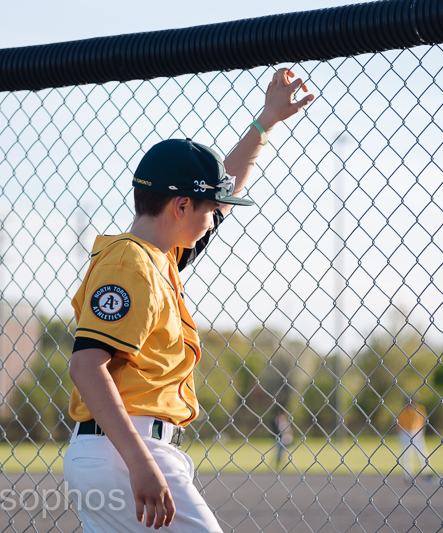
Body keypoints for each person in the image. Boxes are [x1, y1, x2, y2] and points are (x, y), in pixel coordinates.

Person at [63, 68, 313, 532]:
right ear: (180, 207)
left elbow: (225, 185)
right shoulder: (132, 263)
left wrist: (266, 122)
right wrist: (140, 462)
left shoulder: (158, 257)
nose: (216, 219)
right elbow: (86, 365)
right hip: (128, 449)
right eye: (211, 211)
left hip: (115, 449)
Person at [395, 395, 435, 484]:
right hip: (405, 432)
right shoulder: (403, 410)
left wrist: (421, 431)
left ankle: (425, 473)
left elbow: (424, 421)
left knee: (421, 453)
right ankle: (407, 474)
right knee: (406, 454)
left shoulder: (419, 409)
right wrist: (400, 432)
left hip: (417, 431)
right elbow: (397, 422)